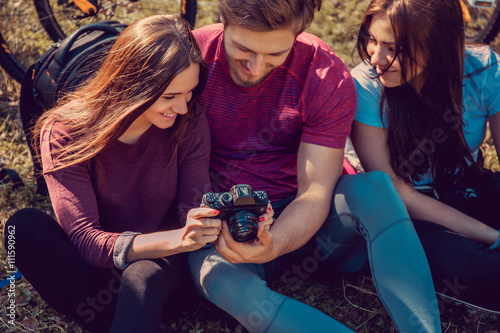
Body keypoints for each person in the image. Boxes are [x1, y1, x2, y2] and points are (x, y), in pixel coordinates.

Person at [188, 0, 443, 332]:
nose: (255, 66)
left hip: (315, 226)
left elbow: (316, 193)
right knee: (218, 281)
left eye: (274, 54)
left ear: (299, 32)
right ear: (224, 20)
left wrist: (275, 242)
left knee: (375, 189)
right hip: (228, 229)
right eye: (243, 49)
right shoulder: (191, 59)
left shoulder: (324, 72)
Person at [3, 14, 254, 333]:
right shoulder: (64, 131)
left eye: (189, 93)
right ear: (132, 83)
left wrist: (207, 223)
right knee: (22, 228)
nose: (181, 107)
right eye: (169, 96)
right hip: (98, 273)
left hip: (162, 266)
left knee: (142, 277)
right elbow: (86, 240)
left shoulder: (189, 122)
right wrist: (176, 237)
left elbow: (189, 212)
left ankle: (132, 315)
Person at [350, 0, 500, 311]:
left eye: (393, 48)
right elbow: (392, 186)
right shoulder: (366, 85)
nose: (376, 58)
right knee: (481, 272)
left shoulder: (484, 69)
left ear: (438, 44)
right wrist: (489, 235)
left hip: (468, 186)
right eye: (372, 40)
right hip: (413, 210)